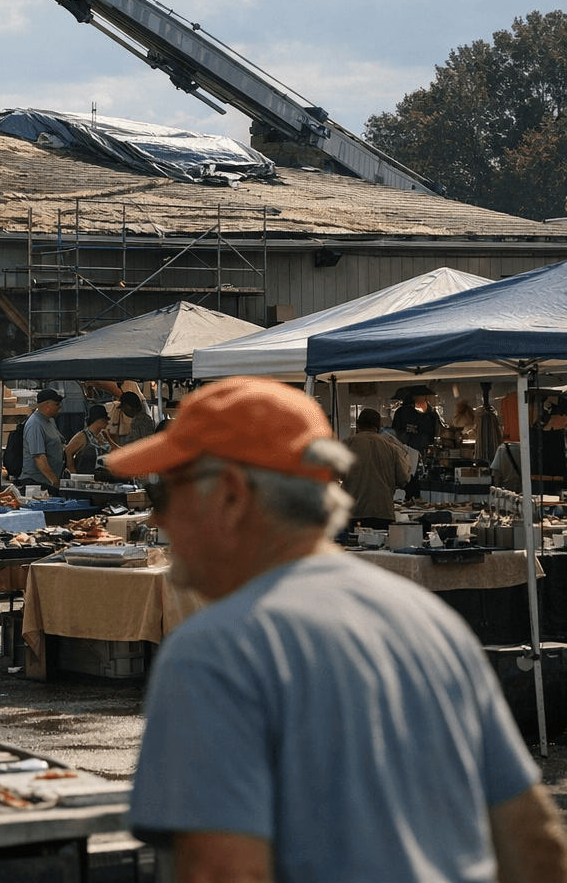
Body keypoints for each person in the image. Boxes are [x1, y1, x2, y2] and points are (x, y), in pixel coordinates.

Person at [108, 377, 567, 883]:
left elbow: (224, 873)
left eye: (166, 491)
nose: (156, 515)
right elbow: (534, 842)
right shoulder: (429, 622)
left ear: (232, 495)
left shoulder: (217, 650)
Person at [342, 407, 410, 528]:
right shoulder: (391, 448)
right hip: (383, 513)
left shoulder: (348, 444)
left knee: (353, 545)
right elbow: (403, 479)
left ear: (358, 425)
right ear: (378, 426)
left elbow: (333, 474)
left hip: (354, 513)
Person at [18, 388, 65, 488]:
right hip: (37, 483)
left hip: (47, 481)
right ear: (47, 404)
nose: (60, 407)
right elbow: (39, 457)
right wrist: (54, 480)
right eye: (57, 404)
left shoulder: (49, 420)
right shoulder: (35, 424)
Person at [64, 404, 113, 476]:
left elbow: (115, 450)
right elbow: (68, 451)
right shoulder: (82, 436)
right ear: (98, 420)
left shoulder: (103, 435)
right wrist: (72, 471)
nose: (107, 422)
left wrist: (109, 440)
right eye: (105, 419)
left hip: (103, 477)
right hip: (85, 477)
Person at [392, 384, 442, 454]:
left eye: (423, 396)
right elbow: (396, 433)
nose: (420, 399)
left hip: (424, 453)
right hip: (404, 452)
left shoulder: (432, 416)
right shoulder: (403, 413)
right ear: (413, 398)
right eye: (417, 396)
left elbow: (436, 435)